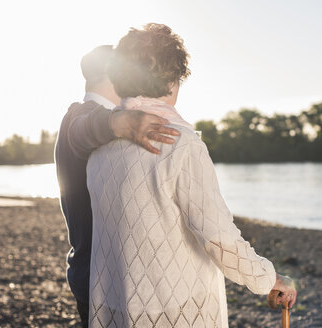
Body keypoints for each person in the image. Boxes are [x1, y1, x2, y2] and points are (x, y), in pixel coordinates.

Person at [86, 23, 297, 328]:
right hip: (175, 314)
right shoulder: (182, 145)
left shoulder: (97, 151)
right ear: (172, 81)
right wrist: (271, 278)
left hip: (115, 311)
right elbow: (219, 237)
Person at [55, 45, 181, 327]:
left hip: (98, 274)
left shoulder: (91, 116)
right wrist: (118, 121)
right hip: (99, 277)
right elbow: (81, 132)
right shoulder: (81, 115)